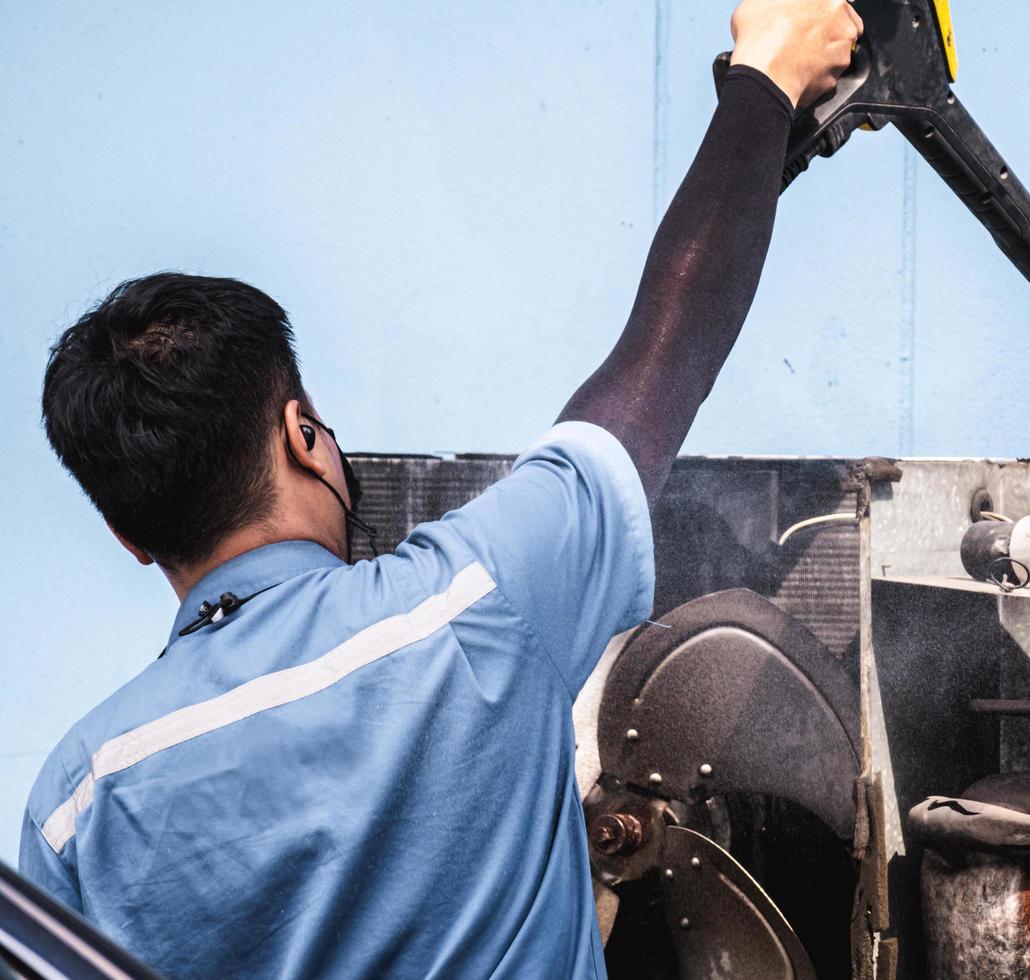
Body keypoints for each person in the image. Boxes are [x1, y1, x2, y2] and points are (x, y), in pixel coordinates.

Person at [19, 0, 862, 975]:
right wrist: (770, 70)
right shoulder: (469, 603)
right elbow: (664, 353)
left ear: (130, 536)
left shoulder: (74, 803)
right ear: (303, 436)